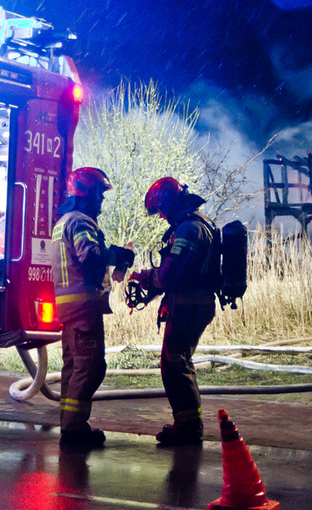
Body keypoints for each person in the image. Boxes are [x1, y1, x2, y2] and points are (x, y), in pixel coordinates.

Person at [131, 177, 220, 446]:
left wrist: (147, 277)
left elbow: (171, 274)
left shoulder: (188, 230)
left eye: (160, 208)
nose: (160, 214)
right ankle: (187, 424)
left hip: (189, 306)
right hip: (193, 303)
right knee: (177, 362)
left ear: (169, 202)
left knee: (175, 364)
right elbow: (179, 273)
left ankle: (188, 428)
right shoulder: (194, 224)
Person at [50, 167, 134, 449]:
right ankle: (74, 430)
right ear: (86, 192)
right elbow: (91, 257)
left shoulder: (63, 221)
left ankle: (68, 424)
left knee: (73, 368)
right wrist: (118, 254)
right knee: (91, 367)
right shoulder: (82, 221)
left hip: (69, 308)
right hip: (84, 307)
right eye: (99, 193)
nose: (101, 199)